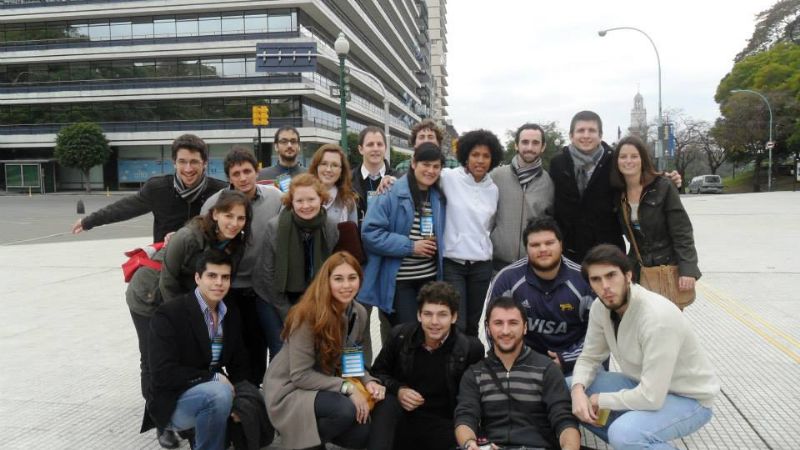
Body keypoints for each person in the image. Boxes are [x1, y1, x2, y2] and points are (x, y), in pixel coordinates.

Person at [571, 244, 719, 449]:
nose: (605, 286)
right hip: (642, 385)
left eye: (611, 275)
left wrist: (600, 399)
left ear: (628, 276)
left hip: (688, 399)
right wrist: (578, 391)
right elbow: (589, 357)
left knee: (623, 434)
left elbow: (651, 398)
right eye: (596, 279)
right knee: (567, 387)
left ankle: (633, 440)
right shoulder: (600, 307)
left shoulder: (657, 318)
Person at [264, 252, 386, 450]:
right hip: (290, 389)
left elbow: (352, 362)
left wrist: (368, 381)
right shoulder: (307, 316)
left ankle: (307, 442)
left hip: (324, 386)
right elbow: (300, 375)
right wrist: (348, 388)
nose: (346, 285)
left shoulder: (359, 313)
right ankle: (300, 442)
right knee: (344, 410)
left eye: (352, 278)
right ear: (326, 281)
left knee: (362, 432)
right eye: (338, 279)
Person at [144, 249, 249, 450]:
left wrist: (241, 402)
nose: (219, 283)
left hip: (213, 394)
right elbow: (162, 373)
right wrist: (213, 378)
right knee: (217, 394)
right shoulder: (169, 314)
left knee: (248, 401)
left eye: (225, 277)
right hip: (173, 401)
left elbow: (240, 363)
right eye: (212, 275)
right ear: (197, 278)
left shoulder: (230, 312)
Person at [550, 111, 681, 264]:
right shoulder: (558, 163)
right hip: (568, 251)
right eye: (581, 130)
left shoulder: (614, 161)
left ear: (600, 135)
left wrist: (667, 180)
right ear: (571, 135)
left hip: (609, 250)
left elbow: (640, 179)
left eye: (592, 130)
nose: (586, 135)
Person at [368, 281, 484, 450]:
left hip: (446, 424)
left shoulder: (470, 348)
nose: (434, 322)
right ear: (419, 315)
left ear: (454, 317)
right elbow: (377, 374)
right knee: (386, 404)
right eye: (428, 314)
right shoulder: (400, 337)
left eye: (442, 314)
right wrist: (399, 390)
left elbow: (472, 398)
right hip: (405, 419)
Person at [455, 296, 581, 450]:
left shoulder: (547, 369)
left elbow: (564, 420)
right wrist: (469, 444)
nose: (506, 331)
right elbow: (465, 417)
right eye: (498, 323)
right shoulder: (475, 373)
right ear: (488, 328)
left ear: (525, 327)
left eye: (513, 323)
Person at [201, 146, 282, 384]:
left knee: (262, 342)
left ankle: (259, 391)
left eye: (247, 171)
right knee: (232, 343)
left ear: (257, 171)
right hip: (228, 287)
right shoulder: (214, 204)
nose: (243, 178)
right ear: (229, 177)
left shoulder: (275, 198)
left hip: (262, 286)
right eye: (236, 174)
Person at [486, 217, 594, 376]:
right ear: (526, 249)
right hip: (521, 365)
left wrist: (566, 360)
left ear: (561, 245)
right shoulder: (507, 278)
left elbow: (598, 332)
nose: (543, 249)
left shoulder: (584, 280)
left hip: (573, 366)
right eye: (535, 245)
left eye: (549, 243)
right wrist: (512, 360)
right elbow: (491, 326)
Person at [71, 133, 226, 243]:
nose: (188, 168)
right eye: (182, 161)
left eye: (194, 162)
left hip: (205, 266)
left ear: (205, 163)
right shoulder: (158, 188)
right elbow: (124, 208)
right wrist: (89, 221)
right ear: (174, 162)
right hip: (165, 262)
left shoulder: (220, 192)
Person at [252, 173, 339, 357]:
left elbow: (327, 272)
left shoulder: (330, 227)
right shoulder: (275, 227)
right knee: (282, 349)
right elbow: (267, 276)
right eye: (299, 201)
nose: (306, 206)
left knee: (310, 350)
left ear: (321, 199)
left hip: (310, 297)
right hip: (273, 297)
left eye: (311, 199)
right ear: (291, 202)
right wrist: (291, 314)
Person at [360, 142, 446, 326]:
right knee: (407, 336)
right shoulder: (390, 192)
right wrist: (411, 246)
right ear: (414, 163)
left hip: (430, 280)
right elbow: (370, 233)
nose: (431, 170)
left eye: (436, 166)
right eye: (426, 164)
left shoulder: (438, 197)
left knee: (427, 334)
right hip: (401, 282)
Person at [610, 135, 701, 291]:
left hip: (667, 267)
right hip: (638, 269)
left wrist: (688, 269)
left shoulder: (663, 186)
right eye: (623, 156)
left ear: (643, 159)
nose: (628, 161)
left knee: (666, 315)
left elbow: (682, 231)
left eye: (634, 156)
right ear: (616, 161)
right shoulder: (618, 194)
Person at [440, 129, 502, 337]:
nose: (480, 160)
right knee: (456, 323)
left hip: (481, 266)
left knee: (473, 325)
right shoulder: (448, 178)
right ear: (465, 155)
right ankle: (453, 369)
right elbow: (420, 177)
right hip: (453, 264)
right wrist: (390, 180)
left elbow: (490, 225)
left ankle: (472, 368)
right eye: (475, 155)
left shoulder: (493, 188)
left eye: (486, 156)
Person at [160, 190, 251, 303]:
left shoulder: (237, 245)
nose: (235, 224)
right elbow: (167, 281)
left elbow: (223, 285)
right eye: (229, 216)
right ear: (215, 214)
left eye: (241, 218)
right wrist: (180, 315)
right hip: (151, 298)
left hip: (190, 299)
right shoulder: (187, 237)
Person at [490, 123, 555, 270]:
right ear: (516, 145)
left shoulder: (549, 182)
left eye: (535, 143)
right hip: (497, 264)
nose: (530, 148)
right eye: (525, 142)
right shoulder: (496, 176)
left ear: (543, 147)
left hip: (533, 266)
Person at [352, 126, 396, 225]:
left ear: (385, 148)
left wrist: (394, 182)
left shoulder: (399, 179)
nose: (375, 148)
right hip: (357, 239)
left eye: (379, 144)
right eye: (370, 144)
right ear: (360, 149)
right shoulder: (348, 180)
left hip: (388, 239)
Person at [307, 143, 359, 224]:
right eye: (324, 164)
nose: (328, 169)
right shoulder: (302, 195)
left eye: (334, 165)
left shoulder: (348, 201)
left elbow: (352, 235)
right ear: (316, 167)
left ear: (341, 170)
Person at [257, 125, 306, 191]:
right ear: (276, 147)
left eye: (293, 141)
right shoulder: (262, 176)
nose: (289, 145)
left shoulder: (311, 175)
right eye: (284, 141)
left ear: (299, 146)